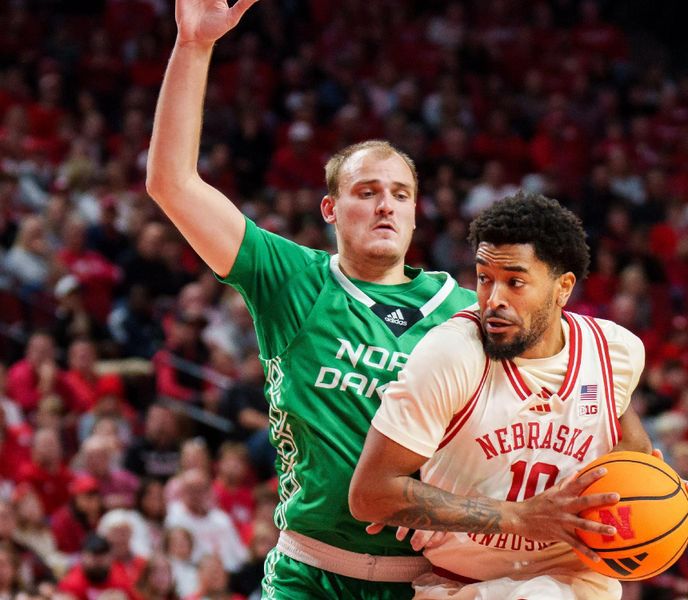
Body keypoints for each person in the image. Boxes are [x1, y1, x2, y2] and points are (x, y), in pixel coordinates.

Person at [145, 1, 478, 597]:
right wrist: (193, 48)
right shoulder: (292, 278)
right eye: (367, 191)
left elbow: (555, 390)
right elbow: (171, 183)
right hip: (308, 573)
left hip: (427, 582)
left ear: (415, 213)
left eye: (400, 194)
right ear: (330, 209)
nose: (385, 205)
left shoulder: (464, 310)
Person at [350, 193, 688, 599]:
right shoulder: (451, 354)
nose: (493, 299)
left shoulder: (615, 352)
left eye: (514, 282)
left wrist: (665, 502)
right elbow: (369, 494)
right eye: (484, 278)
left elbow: (627, 444)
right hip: (460, 584)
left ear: (562, 287)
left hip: (574, 580)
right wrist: (518, 518)